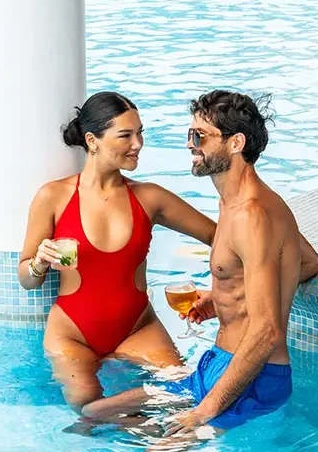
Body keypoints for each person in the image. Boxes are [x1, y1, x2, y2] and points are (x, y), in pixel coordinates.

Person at [81, 90, 318, 433]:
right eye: (190, 134)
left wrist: (202, 413)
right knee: (94, 414)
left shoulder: (252, 215)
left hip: (253, 380)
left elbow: (267, 332)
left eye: (200, 136)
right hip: (215, 365)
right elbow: (311, 263)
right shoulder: (236, 202)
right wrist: (229, 296)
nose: (190, 144)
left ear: (236, 143)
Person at [18, 92, 217, 410]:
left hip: (137, 329)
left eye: (140, 133)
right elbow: (26, 279)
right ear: (92, 140)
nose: (137, 144)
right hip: (73, 336)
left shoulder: (150, 198)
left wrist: (224, 289)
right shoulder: (53, 197)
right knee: (86, 402)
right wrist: (39, 263)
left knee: (183, 392)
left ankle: (138, 434)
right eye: (125, 135)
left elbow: (217, 236)